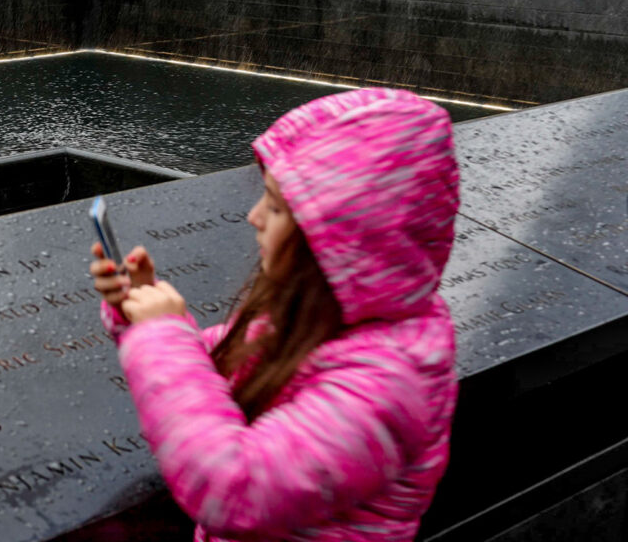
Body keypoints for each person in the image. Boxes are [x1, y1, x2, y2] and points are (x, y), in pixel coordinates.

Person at [90, 88, 459, 541]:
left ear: (343, 237)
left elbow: (235, 489)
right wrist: (142, 314)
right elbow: (228, 366)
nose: (254, 216)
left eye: (277, 206)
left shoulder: (388, 383)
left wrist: (161, 337)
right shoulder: (334, 320)